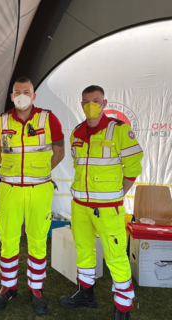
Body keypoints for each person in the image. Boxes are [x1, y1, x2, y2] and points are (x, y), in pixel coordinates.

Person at [59, 85, 143, 320]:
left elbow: (133, 168)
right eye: (86, 102)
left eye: (95, 100)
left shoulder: (120, 131)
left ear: (104, 103)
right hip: (80, 206)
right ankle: (86, 293)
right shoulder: (76, 133)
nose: (90, 105)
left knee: (116, 256)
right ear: (81, 105)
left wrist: (117, 194)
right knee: (83, 250)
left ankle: (123, 307)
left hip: (108, 209)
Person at [0, 77, 65, 315]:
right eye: (17, 92)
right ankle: (8, 287)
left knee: (37, 238)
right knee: (8, 238)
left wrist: (40, 173)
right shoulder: (1, 121)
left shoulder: (48, 118)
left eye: (26, 91)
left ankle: (36, 288)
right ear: (12, 96)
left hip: (39, 189)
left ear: (34, 95)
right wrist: (14, 175)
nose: (22, 95)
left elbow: (59, 152)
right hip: (10, 189)